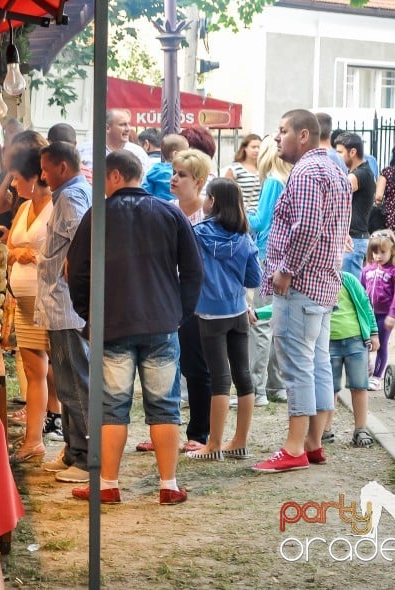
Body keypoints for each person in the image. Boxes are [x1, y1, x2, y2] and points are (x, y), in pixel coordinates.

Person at [66, 149, 202, 504]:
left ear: (114, 176)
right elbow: (193, 271)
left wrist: (88, 313)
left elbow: (75, 271)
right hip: (161, 322)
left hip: (111, 324)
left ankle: (108, 484)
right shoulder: (169, 213)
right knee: (165, 406)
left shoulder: (98, 215)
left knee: (113, 407)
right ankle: (168, 485)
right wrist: (180, 313)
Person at [252, 109, 351, 474]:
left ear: (304, 135)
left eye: (282, 131)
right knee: (317, 363)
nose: (277, 138)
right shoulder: (335, 168)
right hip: (323, 285)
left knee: (297, 367)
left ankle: (295, 447)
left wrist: (285, 270)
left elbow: (307, 226)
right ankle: (313, 442)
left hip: (302, 284)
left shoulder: (308, 171)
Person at [187, 178, 262, 462]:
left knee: (219, 379)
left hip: (209, 314)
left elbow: (188, 270)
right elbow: (254, 278)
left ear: (213, 201)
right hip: (238, 312)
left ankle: (214, 444)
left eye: (207, 196)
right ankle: (239, 441)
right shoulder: (244, 237)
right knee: (243, 376)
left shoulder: (198, 234)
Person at [35, 140, 93, 485]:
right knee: (67, 381)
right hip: (60, 306)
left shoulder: (71, 197)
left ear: (62, 168)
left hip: (68, 306)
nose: (42, 175)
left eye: (45, 169)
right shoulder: (68, 195)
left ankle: (87, 458)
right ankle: (74, 451)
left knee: (74, 383)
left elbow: (78, 248)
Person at [6, 137, 60, 463]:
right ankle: (32, 440)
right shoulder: (24, 208)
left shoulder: (58, 206)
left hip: (48, 300)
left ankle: (66, 440)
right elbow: (9, 247)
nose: (13, 183)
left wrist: (36, 257)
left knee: (55, 370)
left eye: (16, 177)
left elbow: (62, 252)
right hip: (24, 301)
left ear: (34, 176)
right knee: (31, 368)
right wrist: (18, 253)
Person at [164, 148, 212, 451]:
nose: (174, 179)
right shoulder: (167, 209)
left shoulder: (208, 216)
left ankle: (198, 434)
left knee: (196, 366)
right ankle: (164, 428)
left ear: (199, 181)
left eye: (182, 174)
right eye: (174, 172)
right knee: (165, 365)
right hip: (166, 296)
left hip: (199, 299)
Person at [246, 141, 293, 404]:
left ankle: (256, 388)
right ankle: (277, 386)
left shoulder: (273, 182)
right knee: (278, 321)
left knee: (260, 322)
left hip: (268, 253)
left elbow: (260, 221)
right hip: (284, 256)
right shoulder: (288, 179)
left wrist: (239, 213)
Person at [322, 272, 379, 448]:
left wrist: (374, 332)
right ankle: (324, 429)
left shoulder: (348, 280)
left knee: (359, 386)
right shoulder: (314, 280)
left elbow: (365, 304)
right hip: (328, 341)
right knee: (329, 387)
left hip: (355, 340)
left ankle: (361, 429)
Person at [360, 231, 395, 392]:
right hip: (368, 315)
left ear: (391, 251)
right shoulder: (366, 270)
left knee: (381, 345)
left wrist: (393, 314)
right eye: (375, 252)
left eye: (382, 252)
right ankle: (367, 368)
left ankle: (377, 377)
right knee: (364, 342)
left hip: (385, 315)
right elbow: (361, 290)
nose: (378, 256)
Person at [334, 131, 376, 281]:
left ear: (353, 152)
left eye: (339, 152)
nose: (336, 155)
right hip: (354, 240)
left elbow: (334, 192)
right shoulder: (363, 172)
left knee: (350, 292)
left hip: (353, 241)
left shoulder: (358, 175)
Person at [77, 109, 150, 184]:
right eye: (122, 124)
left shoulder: (138, 153)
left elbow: (144, 184)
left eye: (129, 124)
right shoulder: (84, 150)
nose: (128, 129)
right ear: (107, 128)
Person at [141, 133, 187, 201]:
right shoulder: (185, 173)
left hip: (158, 207)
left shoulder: (155, 170)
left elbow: (145, 190)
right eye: (186, 152)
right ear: (176, 154)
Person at [224, 133, 262, 210]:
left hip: (259, 216)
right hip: (242, 214)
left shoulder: (263, 169)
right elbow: (226, 193)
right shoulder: (235, 169)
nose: (257, 150)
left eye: (259, 147)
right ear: (245, 148)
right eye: (253, 147)